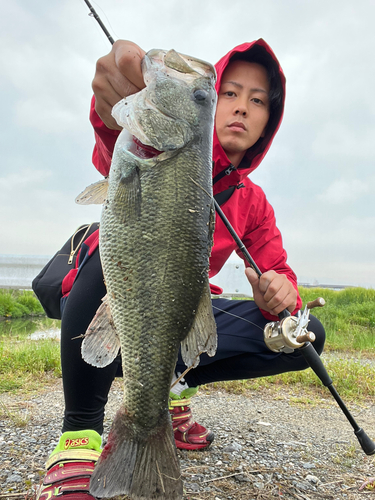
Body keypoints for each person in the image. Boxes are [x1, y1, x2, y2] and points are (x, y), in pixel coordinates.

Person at [36, 39, 325, 500]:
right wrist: (110, 99)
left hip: (177, 315)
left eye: (257, 101)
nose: (241, 108)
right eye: (227, 94)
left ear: (269, 121)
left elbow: (278, 269)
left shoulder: (253, 203)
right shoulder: (148, 145)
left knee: (307, 335)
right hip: (106, 297)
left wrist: (283, 292)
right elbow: (112, 134)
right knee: (105, 262)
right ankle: (79, 435)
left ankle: (166, 390)